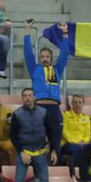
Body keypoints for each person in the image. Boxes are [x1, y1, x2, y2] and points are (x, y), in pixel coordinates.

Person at [23, 20, 70, 158]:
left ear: (51, 58)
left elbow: (65, 54)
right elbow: (27, 53)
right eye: (42, 57)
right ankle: (37, 170)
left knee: (56, 141)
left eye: (47, 57)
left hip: (54, 108)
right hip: (39, 108)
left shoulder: (57, 70)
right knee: (37, 141)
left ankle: (56, 168)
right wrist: (27, 31)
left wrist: (65, 33)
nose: (44, 59)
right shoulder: (35, 69)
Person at [9, 87, 52, 182]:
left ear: (34, 97)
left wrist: (52, 147)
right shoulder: (17, 114)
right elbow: (13, 136)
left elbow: (50, 130)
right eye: (25, 95)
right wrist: (21, 151)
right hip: (24, 152)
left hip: (41, 151)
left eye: (30, 95)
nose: (28, 97)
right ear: (22, 98)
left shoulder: (44, 112)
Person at [60, 94, 91, 176]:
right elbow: (64, 131)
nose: (77, 105)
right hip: (66, 144)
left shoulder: (86, 118)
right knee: (77, 149)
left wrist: (83, 142)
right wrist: (75, 142)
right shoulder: (65, 115)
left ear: (83, 104)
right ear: (72, 103)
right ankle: (75, 175)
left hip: (81, 144)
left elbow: (87, 134)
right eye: (75, 102)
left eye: (80, 102)